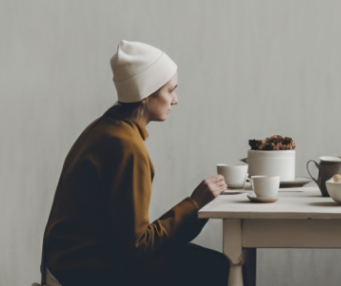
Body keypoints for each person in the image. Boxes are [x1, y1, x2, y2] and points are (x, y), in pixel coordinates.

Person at [41, 40, 231, 286]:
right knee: (214, 268)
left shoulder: (104, 129)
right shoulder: (127, 147)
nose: (175, 100)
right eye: (170, 90)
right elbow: (136, 246)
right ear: (147, 93)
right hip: (85, 272)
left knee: (200, 262)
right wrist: (195, 204)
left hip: (67, 264)